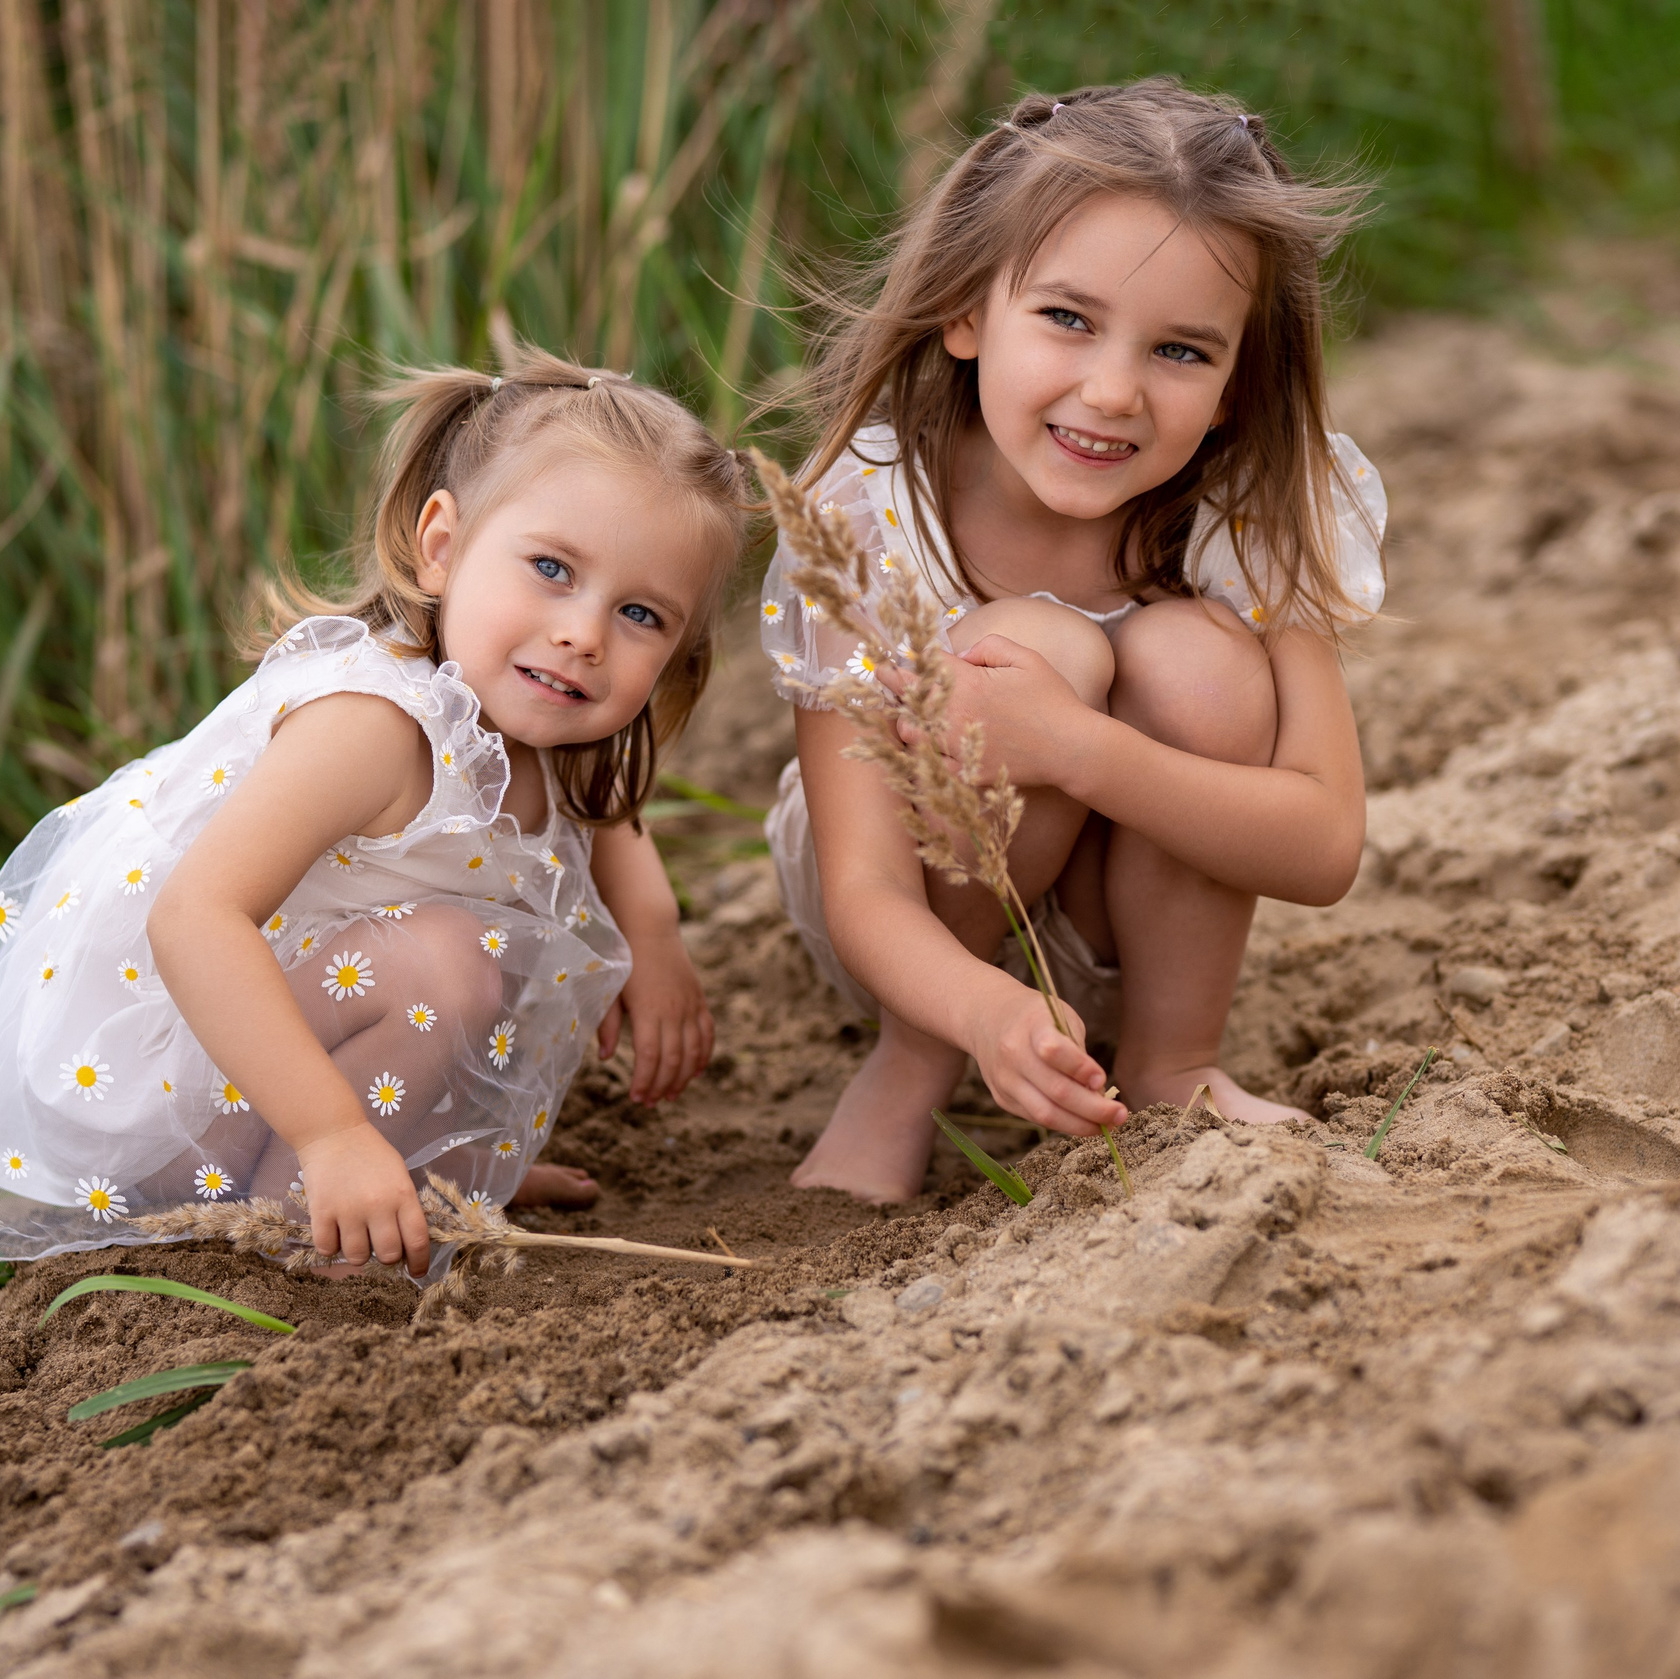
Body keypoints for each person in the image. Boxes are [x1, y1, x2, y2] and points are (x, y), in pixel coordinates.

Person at [760, 79, 1387, 1202]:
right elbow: (863, 887)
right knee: (1037, 645)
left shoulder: (1259, 507)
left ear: (1241, 381)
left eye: (1182, 352)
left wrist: (1073, 748)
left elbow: (1325, 844)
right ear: (965, 311)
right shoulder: (866, 517)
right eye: (1067, 318)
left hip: (1115, 916)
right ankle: (910, 1071)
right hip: (911, 924)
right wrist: (974, 1007)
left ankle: (1170, 1058)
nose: (1113, 391)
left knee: (1197, 663)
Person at [0, 346, 745, 1277]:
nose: (584, 633)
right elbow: (193, 918)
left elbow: (601, 811)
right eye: (552, 568)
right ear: (442, 546)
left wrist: (657, 934)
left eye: (641, 615)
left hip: (263, 1063)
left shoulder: (537, 715)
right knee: (446, 959)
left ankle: (421, 1164)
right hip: (157, 1102)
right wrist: (332, 1134)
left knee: (502, 936)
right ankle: (308, 1220)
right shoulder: (375, 729)